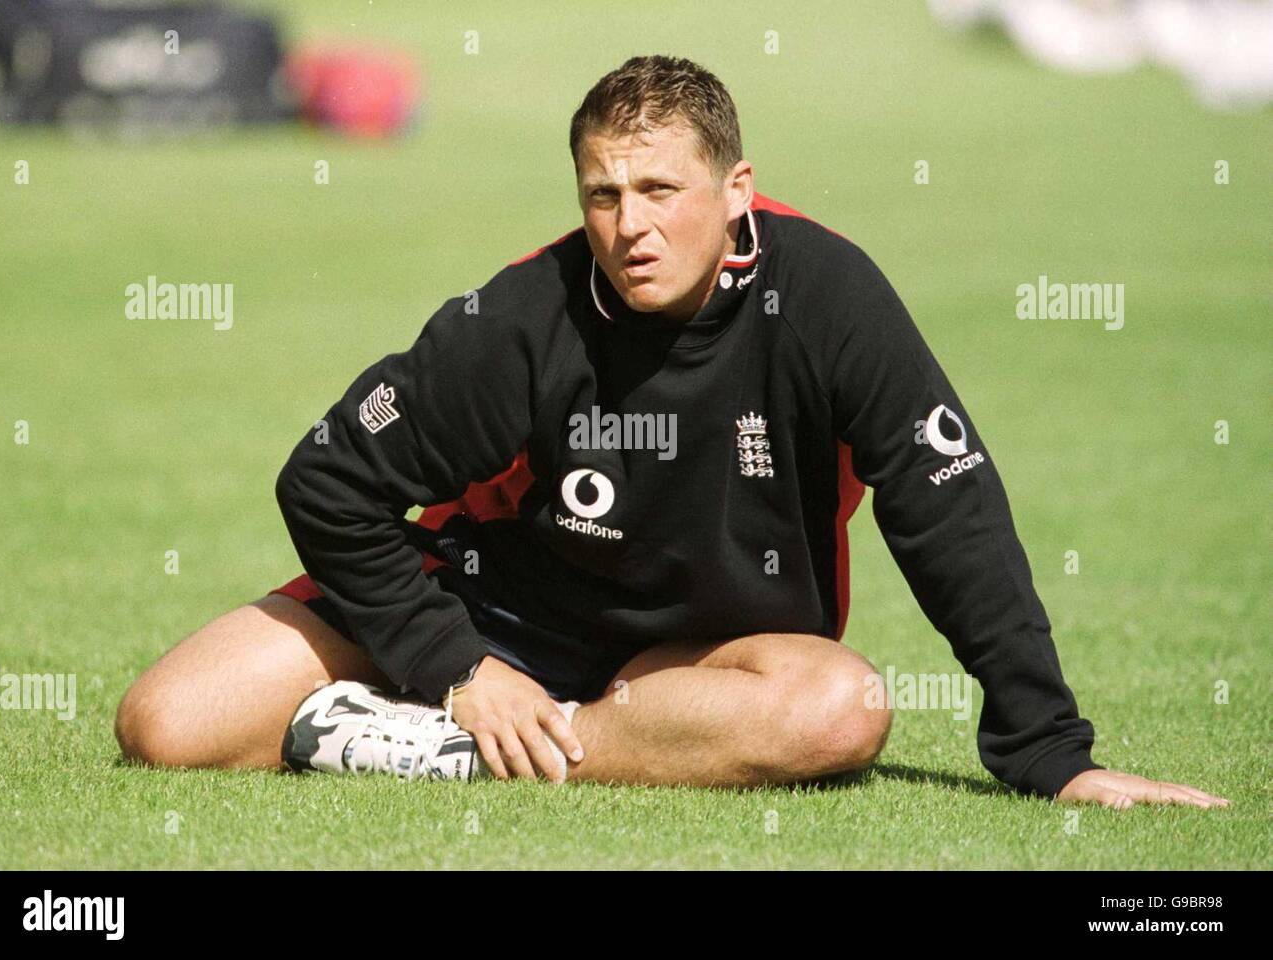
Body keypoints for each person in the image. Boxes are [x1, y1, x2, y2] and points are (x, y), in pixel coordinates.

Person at [114, 55, 1227, 809]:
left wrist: (1047, 752)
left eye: (659, 188)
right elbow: (325, 481)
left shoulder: (831, 296)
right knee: (164, 723)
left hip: (694, 656)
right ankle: (478, 725)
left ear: (736, 188)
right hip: (491, 602)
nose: (630, 226)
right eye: (603, 194)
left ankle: (457, 751)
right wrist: (457, 665)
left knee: (842, 706)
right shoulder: (520, 318)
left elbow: (947, 503)